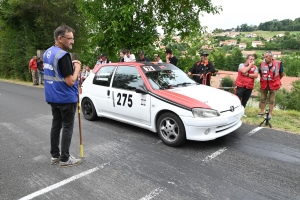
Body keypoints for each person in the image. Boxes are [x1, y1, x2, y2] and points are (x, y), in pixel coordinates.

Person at [43, 25, 82, 167]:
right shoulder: (63, 55)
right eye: (70, 38)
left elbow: (55, 71)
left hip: (53, 96)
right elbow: (71, 81)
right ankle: (65, 158)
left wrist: (69, 65)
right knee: (67, 126)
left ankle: (55, 156)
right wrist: (77, 67)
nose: (72, 41)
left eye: (73, 38)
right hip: (65, 97)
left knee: (56, 125)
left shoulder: (48, 52)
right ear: (60, 38)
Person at [258, 51, 284, 119]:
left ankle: (270, 114)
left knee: (272, 100)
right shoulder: (262, 64)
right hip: (264, 84)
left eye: (266, 57)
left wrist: (277, 80)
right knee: (262, 99)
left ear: (271, 57)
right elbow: (261, 73)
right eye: (264, 57)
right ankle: (261, 112)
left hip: (274, 85)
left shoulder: (278, 63)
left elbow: (281, 74)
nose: (265, 58)